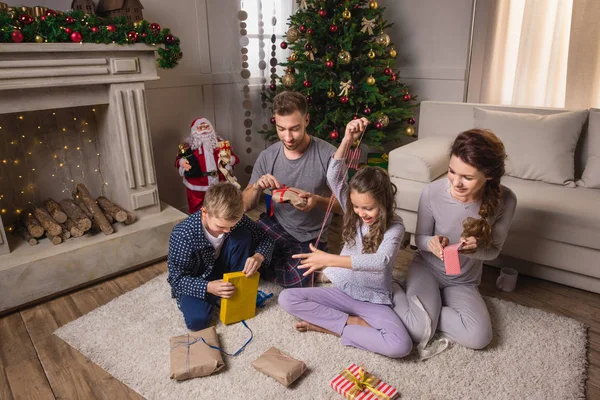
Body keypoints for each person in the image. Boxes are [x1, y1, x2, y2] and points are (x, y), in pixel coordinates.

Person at [278, 118, 413, 359]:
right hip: (341, 290)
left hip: (373, 300)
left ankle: (333, 327)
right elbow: (334, 176)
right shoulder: (355, 212)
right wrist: (347, 139)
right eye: (357, 207)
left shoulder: (395, 226)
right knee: (287, 298)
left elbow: (380, 262)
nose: (362, 213)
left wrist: (328, 261)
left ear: (384, 203)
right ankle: (350, 322)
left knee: (401, 346)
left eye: (369, 208)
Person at [392, 129, 517, 355]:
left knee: (479, 337)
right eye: (451, 171)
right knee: (419, 332)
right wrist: (430, 242)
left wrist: (475, 250)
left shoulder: (505, 200)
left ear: (488, 175)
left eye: (467, 177)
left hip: (462, 280)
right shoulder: (432, 192)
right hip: (427, 268)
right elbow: (419, 239)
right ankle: (392, 289)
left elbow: (494, 251)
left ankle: (427, 309)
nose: (456, 183)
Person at [242, 91, 341, 288]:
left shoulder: (329, 155)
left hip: (310, 236)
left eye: (295, 129)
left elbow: (346, 206)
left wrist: (317, 201)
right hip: (275, 225)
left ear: (306, 120)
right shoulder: (268, 156)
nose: (288, 137)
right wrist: (257, 188)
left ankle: (307, 268)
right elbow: (245, 205)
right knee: (234, 246)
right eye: (281, 129)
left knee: (296, 281)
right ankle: (299, 265)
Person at [167, 182, 274, 331]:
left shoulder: (235, 219)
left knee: (241, 235)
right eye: (220, 226)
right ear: (205, 212)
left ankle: (236, 286)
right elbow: (176, 279)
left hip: (224, 267)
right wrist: (208, 287)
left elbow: (266, 239)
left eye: (231, 225)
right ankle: (217, 295)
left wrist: (259, 256)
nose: (226, 231)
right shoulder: (182, 234)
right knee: (198, 321)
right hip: (198, 278)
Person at [176, 118, 239, 214]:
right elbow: (177, 161)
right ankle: (199, 226)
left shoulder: (220, 143)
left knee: (222, 207)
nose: (204, 129)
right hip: (197, 184)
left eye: (206, 126)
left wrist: (229, 159)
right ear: (194, 130)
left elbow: (234, 158)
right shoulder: (188, 146)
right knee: (198, 210)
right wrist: (182, 163)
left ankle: (221, 226)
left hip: (220, 182)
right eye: (200, 128)